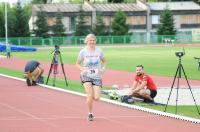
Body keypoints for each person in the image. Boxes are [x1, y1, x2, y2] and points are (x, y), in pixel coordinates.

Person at [75, 34, 107, 121]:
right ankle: (90, 113)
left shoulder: (99, 51)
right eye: (90, 40)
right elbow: (77, 63)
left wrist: (103, 68)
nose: (92, 42)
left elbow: (104, 61)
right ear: (87, 41)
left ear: (95, 41)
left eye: (93, 40)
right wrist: (82, 69)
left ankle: (91, 97)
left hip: (97, 76)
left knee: (96, 98)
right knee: (89, 95)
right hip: (86, 75)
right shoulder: (83, 51)